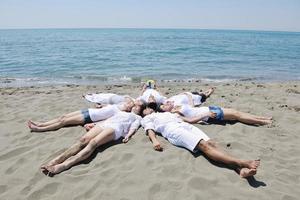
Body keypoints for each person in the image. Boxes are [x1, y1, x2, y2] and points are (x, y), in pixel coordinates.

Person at [141, 108, 260, 178]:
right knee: (203, 145)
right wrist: (155, 140)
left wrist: (206, 114)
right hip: (172, 130)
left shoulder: (168, 113)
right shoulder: (146, 118)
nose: (148, 108)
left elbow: (190, 120)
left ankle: (241, 170)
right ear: (144, 113)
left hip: (185, 126)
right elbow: (150, 129)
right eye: (145, 109)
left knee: (212, 144)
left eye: (149, 107)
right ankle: (241, 162)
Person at [41, 111, 142, 176]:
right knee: (83, 140)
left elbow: (134, 126)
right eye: (135, 105)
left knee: (93, 143)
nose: (136, 106)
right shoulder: (121, 111)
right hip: (105, 124)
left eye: (139, 106)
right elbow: (107, 118)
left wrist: (128, 135)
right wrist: (94, 124)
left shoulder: (138, 117)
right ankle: (57, 159)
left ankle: (65, 165)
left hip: (116, 128)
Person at [28, 100, 135, 132]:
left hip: (89, 118)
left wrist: (93, 124)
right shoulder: (119, 105)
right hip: (88, 111)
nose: (128, 103)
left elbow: (109, 120)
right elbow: (107, 106)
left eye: (130, 104)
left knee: (63, 122)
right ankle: (41, 123)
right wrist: (101, 105)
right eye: (129, 102)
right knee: (63, 117)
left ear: (131, 108)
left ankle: (39, 129)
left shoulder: (121, 113)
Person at [160, 103, 272, 126]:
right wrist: (206, 114)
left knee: (236, 111)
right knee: (237, 116)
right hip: (209, 114)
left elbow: (192, 106)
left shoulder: (177, 106)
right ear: (165, 111)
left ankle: (262, 118)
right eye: (163, 106)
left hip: (209, 108)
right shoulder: (176, 114)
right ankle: (262, 122)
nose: (165, 104)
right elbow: (190, 121)